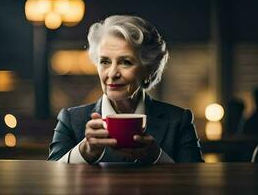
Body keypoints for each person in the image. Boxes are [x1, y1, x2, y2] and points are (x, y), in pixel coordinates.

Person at [48, 15, 204, 164]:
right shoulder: (70, 119)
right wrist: (84, 152)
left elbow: (197, 183)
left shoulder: (178, 120)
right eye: (105, 62)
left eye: (126, 62)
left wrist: (157, 157)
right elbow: (49, 178)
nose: (112, 73)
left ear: (148, 70)